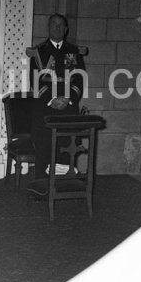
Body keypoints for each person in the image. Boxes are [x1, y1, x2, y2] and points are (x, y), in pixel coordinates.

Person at [30, 13, 86, 180]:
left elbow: (79, 79)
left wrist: (67, 99)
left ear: (66, 29)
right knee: (44, 145)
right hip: (45, 107)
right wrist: (52, 100)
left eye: (61, 25)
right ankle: (42, 185)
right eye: (54, 25)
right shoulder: (38, 52)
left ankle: (65, 182)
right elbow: (36, 81)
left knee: (67, 146)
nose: (57, 28)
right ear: (48, 28)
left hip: (68, 108)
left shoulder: (74, 51)